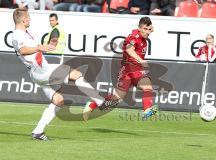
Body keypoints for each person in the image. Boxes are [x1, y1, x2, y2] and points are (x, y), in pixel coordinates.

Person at [12, 8, 116, 140]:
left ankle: (38, 132)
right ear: (23, 19)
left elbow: (29, 50)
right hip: (41, 70)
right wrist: (40, 47)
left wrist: (44, 47)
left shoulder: (23, 33)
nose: (30, 19)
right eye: (28, 17)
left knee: (58, 100)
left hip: (39, 71)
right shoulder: (17, 34)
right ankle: (101, 103)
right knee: (76, 74)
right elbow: (23, 50)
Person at [83, 17, 158, 121]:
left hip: (137, 69)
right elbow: (129, 50)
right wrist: (140, 60)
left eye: (149, 29)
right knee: (115, 100)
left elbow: (150, 28)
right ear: (139, 28)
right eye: (145, 29)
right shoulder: (133, 37)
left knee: (147, 86)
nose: (148, 32)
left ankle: (146, 110)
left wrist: (150, 29)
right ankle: (92, 105)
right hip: (128, 69)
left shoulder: (145, 32)